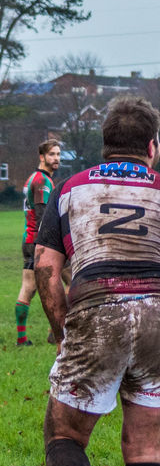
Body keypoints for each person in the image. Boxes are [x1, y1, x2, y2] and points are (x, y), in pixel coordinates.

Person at [33, 96, 160, 466]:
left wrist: (62, 330)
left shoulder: (69, 189)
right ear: (152, 146)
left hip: (96, 310)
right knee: (146, 446)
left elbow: (45, 267)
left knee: (65, 434)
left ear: (105, 142)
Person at [17, 139, 60, 345]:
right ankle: (58, 332)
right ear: (42, 157)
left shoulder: (31, 178)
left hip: (28, 238)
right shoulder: (43, 181)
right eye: (52, 154)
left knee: (28, 286)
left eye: (58, 154)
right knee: (69, 280)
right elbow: (44, 214)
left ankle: (21, 338)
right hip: (39, 241)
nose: (56, 159)